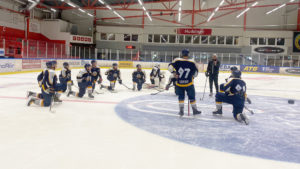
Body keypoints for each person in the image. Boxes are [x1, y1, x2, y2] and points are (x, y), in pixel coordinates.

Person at [168, 49, 201, 116]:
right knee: (192, 97)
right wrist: (192, 77)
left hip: (179, 83)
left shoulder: (177, 60)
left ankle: (181, 111)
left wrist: (174, 73)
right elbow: (196, 74)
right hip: (189, 83)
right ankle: (194, 110)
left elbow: (169, 67)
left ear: (182, 54)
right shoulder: (192, 62)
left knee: (181, 97)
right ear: (188, 54)